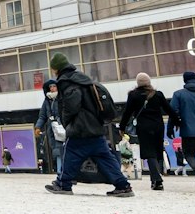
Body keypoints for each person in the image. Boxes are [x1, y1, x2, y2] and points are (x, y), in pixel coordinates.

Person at [43, 53, 135, 197]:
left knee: (70, 154)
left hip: (81, 126)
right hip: (94, 125)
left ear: (55, 68)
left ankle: (64, 184)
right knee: (105, 157)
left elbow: (72, 104)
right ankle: (123, 185)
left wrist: (66, 121)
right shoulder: (81, 78)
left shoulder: (68, 81)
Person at [119, 71, 172, 192]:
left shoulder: (133, 95)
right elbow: (169, 110)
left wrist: (122, 127)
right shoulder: (158, 94)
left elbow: (127, 112)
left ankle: (157, 180)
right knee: (157, 150)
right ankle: (157, 176)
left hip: (144, 127)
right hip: (158, 126)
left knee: (149, 153)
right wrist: (178, 121)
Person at [34, 81, 64, 174]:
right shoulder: (47, 100)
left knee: (65, 150)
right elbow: (42, 116)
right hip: (53, 129)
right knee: (57, 151)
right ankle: (60, 172)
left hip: (64, 127)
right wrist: (38, 127)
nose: (52, 88)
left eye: (54, 86)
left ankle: (63, 172)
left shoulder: (63, 98)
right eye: (50, 87)